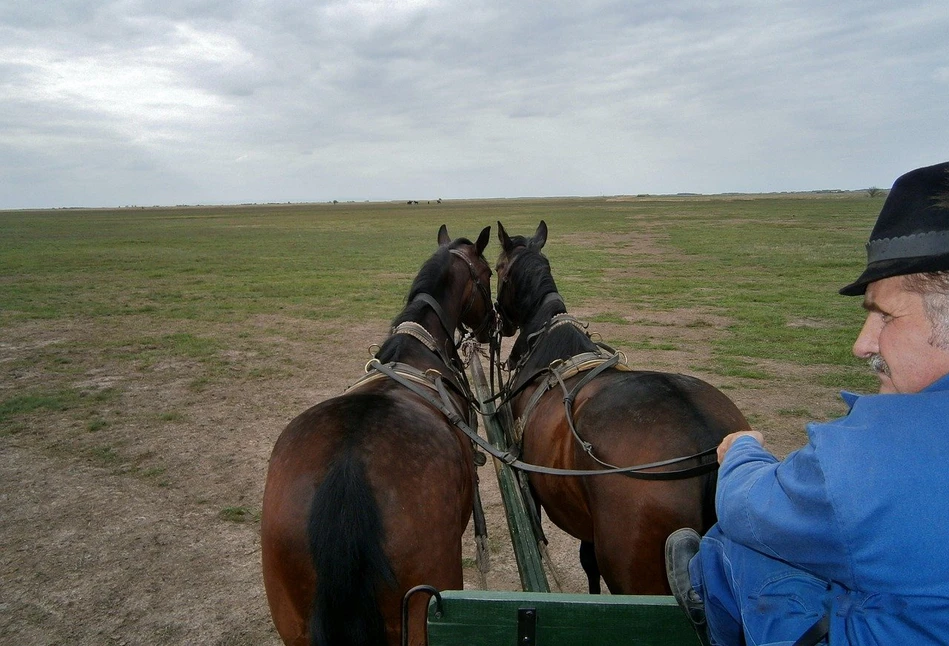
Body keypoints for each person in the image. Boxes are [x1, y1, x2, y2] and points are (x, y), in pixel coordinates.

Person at [664, 161, 949, 646]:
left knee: (729, 544)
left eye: (885, 315)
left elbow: (745, 507)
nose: (863, 344)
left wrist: (742, 453)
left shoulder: (879, 458)